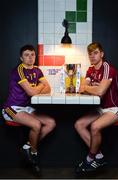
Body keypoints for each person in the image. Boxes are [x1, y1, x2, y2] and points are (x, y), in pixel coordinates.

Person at [2, 44, 56, 175]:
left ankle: (27, 147)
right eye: (26, 55)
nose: (30, 57)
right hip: (12, 108)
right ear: (21, 58)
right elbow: (31, 92)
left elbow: (48, 88)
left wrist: (37, 88)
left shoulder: (37, 70)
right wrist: (39, 87)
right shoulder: (18, 70)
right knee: (36, 125)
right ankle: (34, 154)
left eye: (32, 54)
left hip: (26, 108)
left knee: (51, 123)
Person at [74, 42, 118, 173]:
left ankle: (89, 158)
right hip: (102, 109)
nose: (92, 56)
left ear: (102, 54)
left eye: (95, 53)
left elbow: (100, 92)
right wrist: (91, 88)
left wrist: (90, 88)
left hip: (116, 108)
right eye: (90, 54)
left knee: (95, 126)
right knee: (79, 124)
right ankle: (99, 157)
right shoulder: (90, 70)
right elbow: (81, 88)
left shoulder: (107, 68)